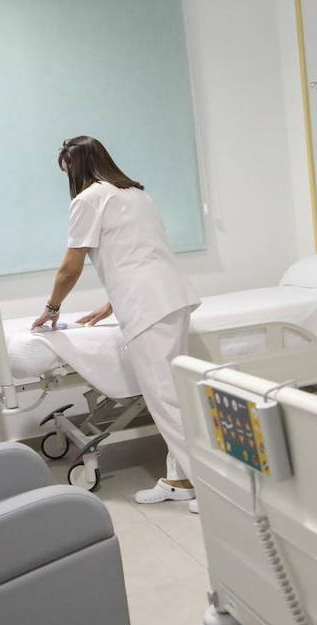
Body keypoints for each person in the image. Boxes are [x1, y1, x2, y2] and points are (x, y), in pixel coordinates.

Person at [32, 136, 201, 512]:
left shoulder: (87, 199)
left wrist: (52, 307)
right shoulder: (137, 194)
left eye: (67, 172)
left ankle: (209, 489)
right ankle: (179, 480)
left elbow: (69, 267)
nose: (68, 180)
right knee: (171, 395)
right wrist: (112, 303)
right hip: (171, 296)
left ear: (76, 167)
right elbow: (143, 253)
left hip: (149, 307)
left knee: (166, 400)